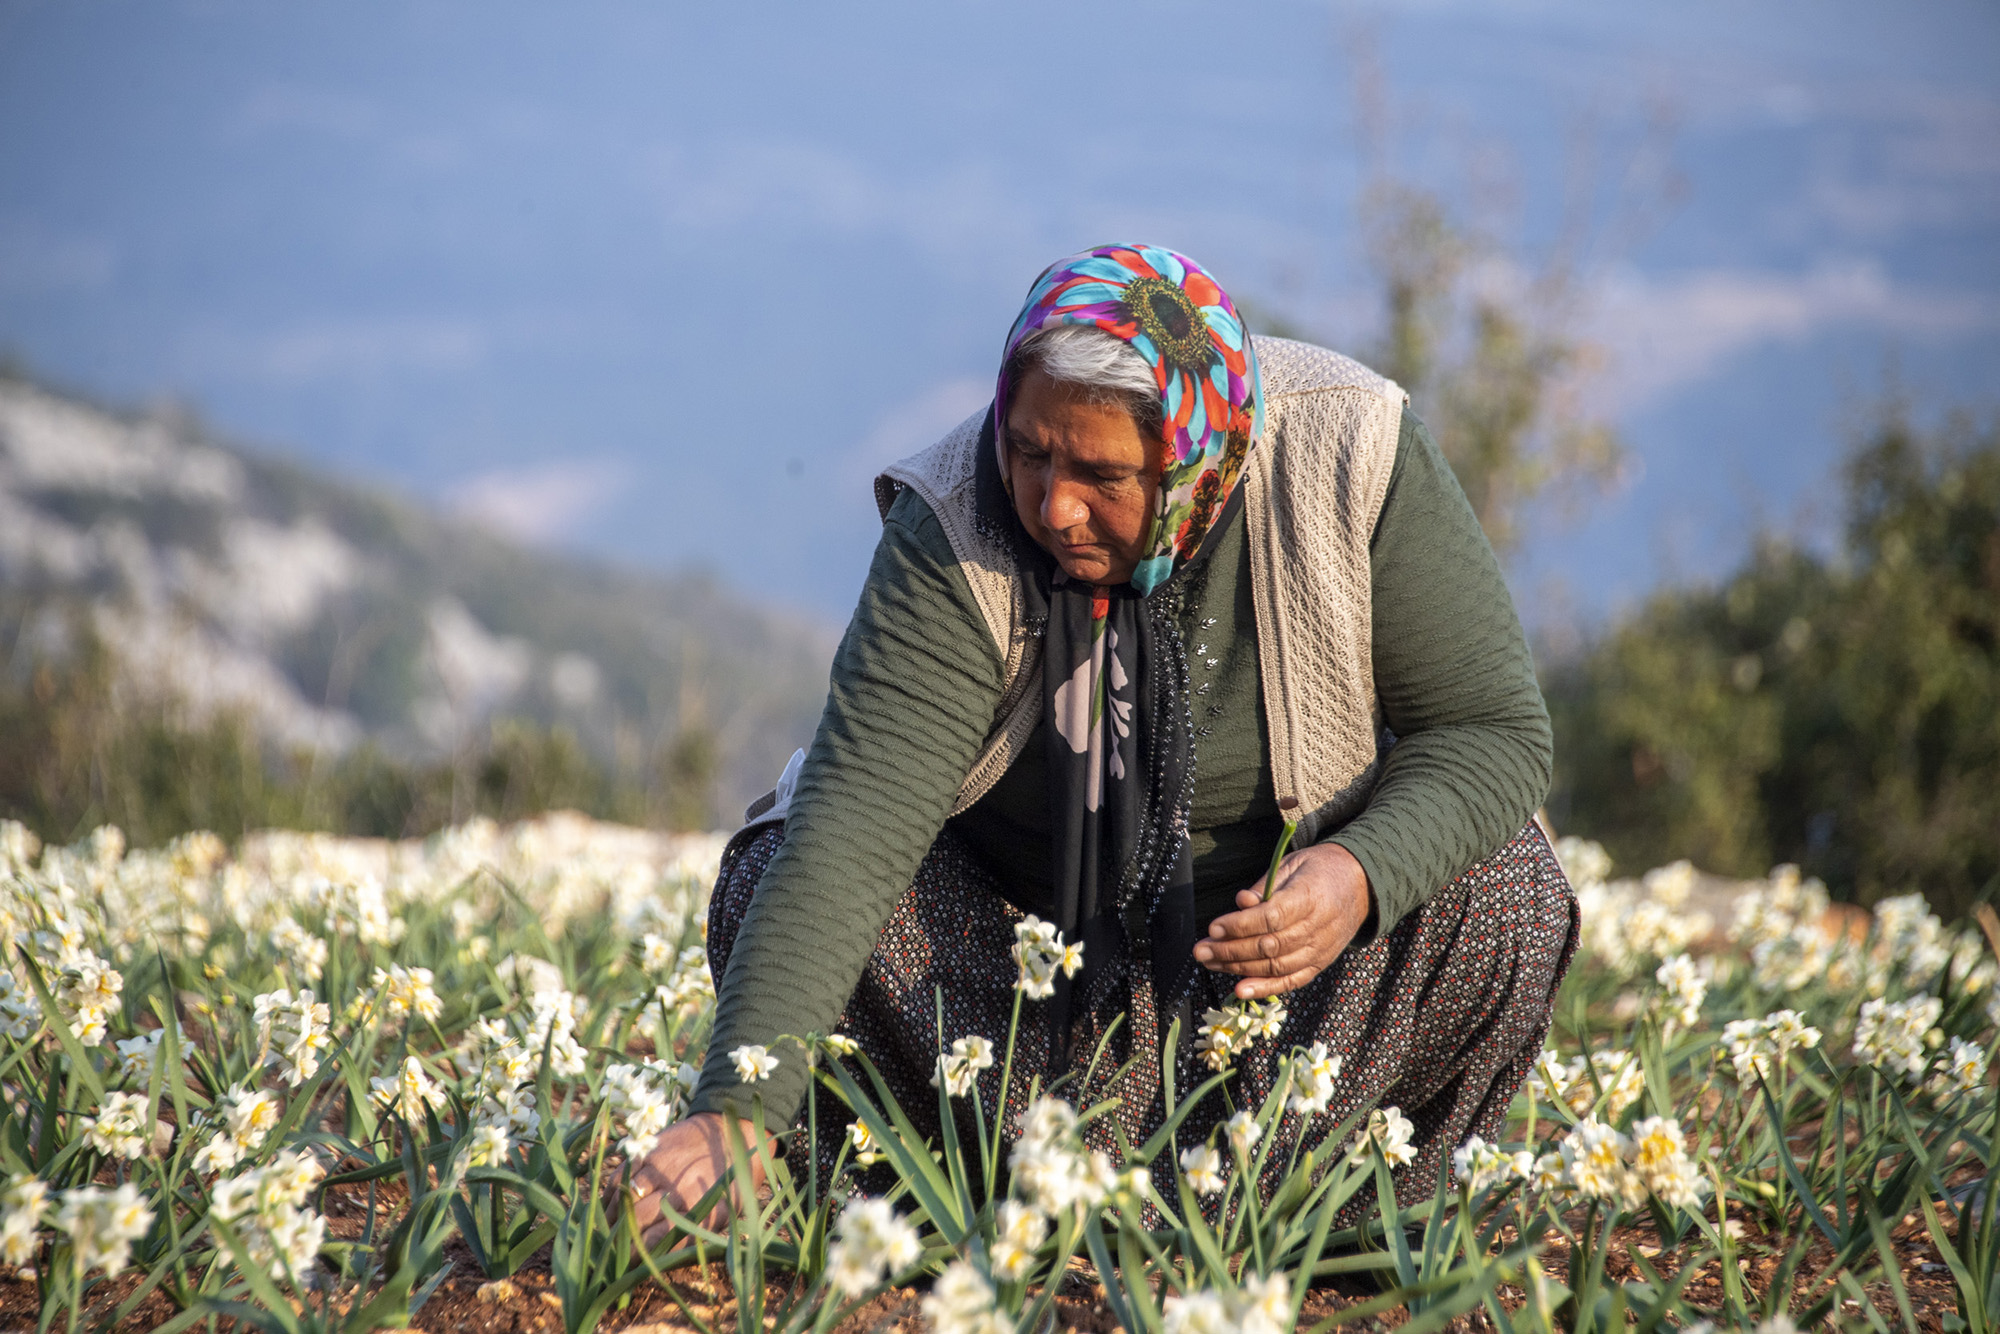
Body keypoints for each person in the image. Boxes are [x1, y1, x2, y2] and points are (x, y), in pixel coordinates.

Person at [626, 244, 1576, 1234]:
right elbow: (852, 825)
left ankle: (1352, 1216)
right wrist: (733, 1113)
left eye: (1103, 473)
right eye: (1028, 450)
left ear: (1200, 457)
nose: (1053, 504)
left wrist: (1356, 872)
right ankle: (1002, 1196)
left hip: (1292, 1005)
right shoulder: (955, 525)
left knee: (1500, 880)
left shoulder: (1346, 449)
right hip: (1030, 1004)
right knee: (770, 866)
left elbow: (1490, 731)